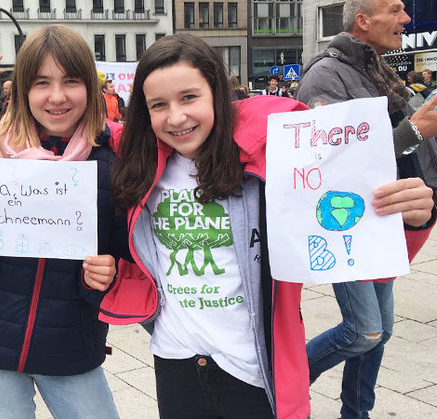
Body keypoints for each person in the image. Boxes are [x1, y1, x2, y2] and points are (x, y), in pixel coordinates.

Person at [106, 33, 310, 419]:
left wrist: (411, 218)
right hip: (175, 362)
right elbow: (75, 131)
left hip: (253, 371)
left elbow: (350, 232)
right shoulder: (141, 163)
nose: (176, 117)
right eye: (158, 105)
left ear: (216, 92)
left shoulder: (269, 160)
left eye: (189, 97)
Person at [0, 24, 127, 418]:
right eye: (42, 83)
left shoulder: (112, 168)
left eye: (70, 81)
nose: (57, 96)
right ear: (22, 92)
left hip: (70, 349)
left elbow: (128, 263)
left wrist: (106, 277)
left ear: (90, 88)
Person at [296, 0, 437, 417]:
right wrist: (415, 130)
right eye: (395, 10)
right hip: (350, 223)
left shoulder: (376, 69)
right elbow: (330, 160)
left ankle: (356, 413)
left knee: (383, 332)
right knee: (364, 331)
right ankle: (284, 378)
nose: (406, 19)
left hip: (387, 223)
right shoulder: (324, 74)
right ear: (363, 20)